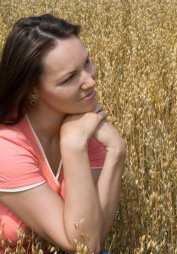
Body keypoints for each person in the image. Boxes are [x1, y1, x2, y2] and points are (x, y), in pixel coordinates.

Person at [0, 14, 125, 253]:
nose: (90, 80)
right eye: (69, 78)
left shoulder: (83, 125)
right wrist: (73, 147)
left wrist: (117, 152)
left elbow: (95, 235)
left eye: (87, 62)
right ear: (32, 89)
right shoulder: (5, 147)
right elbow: (84, 246)